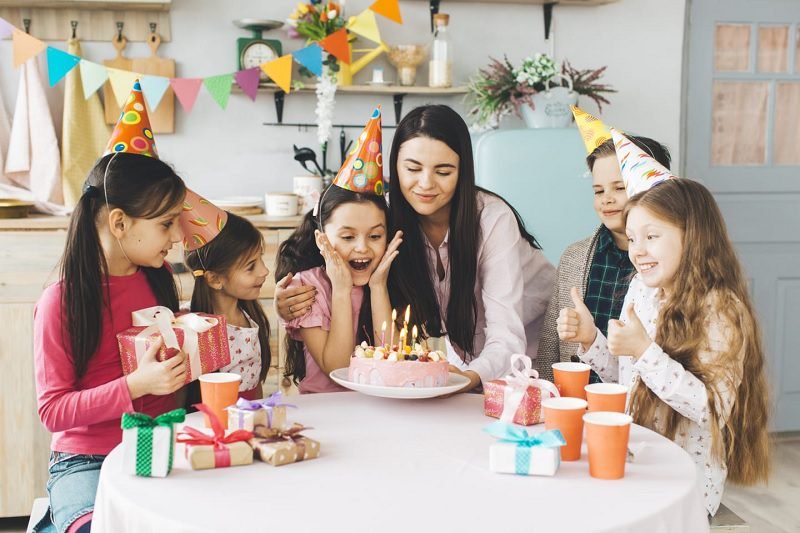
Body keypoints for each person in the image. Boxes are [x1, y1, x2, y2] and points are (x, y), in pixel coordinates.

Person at [277, 104, 554, 387]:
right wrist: (288, 301)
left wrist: (468, 379)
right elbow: (330, 256)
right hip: (463, 362)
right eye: (412, 168)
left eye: (443, 172)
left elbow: (507, 338)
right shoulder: (382, 218)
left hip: (531, 350)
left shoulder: (491, 219)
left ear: (463, 172)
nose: (425, 184)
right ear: (395, 166)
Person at [557, 168, 770, 515]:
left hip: (685, 483)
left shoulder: (720, 309)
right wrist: (590, 338)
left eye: (651, 236)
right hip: (637, 457)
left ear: (693, 237)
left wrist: (644, 350)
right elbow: (630, 380)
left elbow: (710, 408)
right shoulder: (640, 290)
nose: (637, 251)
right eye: (632, 238)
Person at [33, 148, 188, 531]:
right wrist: (136, 385)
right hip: (87, 460)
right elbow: (53, 410)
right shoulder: (61, 301)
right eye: (166, 224)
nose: (177, 236)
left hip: (159, 442)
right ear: (119, 222)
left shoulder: (156, 275)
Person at [539, 108, 672, 382]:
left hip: (642, 410)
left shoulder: (669, 264)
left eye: (619, 188)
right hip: (577, 402)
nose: (606, 199)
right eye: (598, 190)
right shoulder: (574, 258)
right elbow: (551, 345)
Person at [276, 108, 402, 393]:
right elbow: (337, 368)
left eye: (375, 235)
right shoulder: (308, 287)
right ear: (322, 239)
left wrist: (379, 287)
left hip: (382, 410)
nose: (362, 248)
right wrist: (342, 290)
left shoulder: (390, 276)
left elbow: (394, 364)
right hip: (325, 411)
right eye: (347, 236)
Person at [184, 210, 271, 401]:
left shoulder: (251, 316)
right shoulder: (195, 331)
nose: (265, 270)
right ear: (215, 279)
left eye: (261, 259)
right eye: (251, 266)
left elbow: (256, 386)